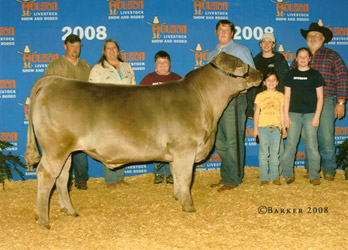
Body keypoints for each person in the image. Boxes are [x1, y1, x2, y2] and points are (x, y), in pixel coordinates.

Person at [292, 23, 348, 181]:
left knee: (327, 137)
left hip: (327, 100)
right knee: (310, 137)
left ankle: (329, 169)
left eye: (316, 36)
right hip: (305, 103)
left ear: (323, 39)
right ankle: (312, 168)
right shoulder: (300, 58)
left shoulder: (332, 55)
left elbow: (342, 78)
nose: (312, 38)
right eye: (310, 36)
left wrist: (341, 102)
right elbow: (291, 80)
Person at [208, 20, 255, 192]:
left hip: (233, 101)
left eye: (226, 30)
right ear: (216, 32)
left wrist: (235, 90)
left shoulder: (240, 50)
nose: (223, 33)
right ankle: (225, 175)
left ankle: (234, 178)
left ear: (232, 34)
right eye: (220, 30)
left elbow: (251, 76)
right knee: (220, 141)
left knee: (233, 141)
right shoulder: (211, 53)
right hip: (215, 102)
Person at [45, 34, 91, 190]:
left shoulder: (85, 66)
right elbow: (47, 88)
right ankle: (63, 182)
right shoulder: (56, 65)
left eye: (78, 47)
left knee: (81, 149)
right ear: (65, 46)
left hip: (82, 114)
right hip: (61, 114)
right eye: (72, 46)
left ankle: (81, 179)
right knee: (61, 150)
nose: (75, 50)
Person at [88, 39, 136, 188]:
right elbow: (91, 92)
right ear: (104, 51)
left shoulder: (127, 66)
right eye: (108, 48)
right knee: (109, 144)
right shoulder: (97, 69)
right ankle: (110, 180)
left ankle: (120, 178)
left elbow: (134, 87)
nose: (111, 51)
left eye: (114, 48)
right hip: (106, 112)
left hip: (126, 110)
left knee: (123, 143)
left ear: (118, 50)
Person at [281, 47, 325, 185]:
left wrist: (317, 116)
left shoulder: (315, 75)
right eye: (300, 56)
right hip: (293, 114)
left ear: (310, 59)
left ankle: (314, 175)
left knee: (312, 145)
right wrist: (286, 116)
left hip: (311, 114)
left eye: (306, 56)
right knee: (291, 145)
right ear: (296, 58)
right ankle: (287, 174)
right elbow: (286, 97)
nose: (303, 59)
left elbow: (320, 97)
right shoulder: (290, 74)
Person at [139, 50, 181, 185]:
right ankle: (157, 172)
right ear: (155, 64)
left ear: (170, 64)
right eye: (159, 63)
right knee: (157, 146)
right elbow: (139, 97)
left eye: (165, 63)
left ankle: (169, 173)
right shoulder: (148, 79)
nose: (162, 65)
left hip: (172, 120)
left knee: (171, 146)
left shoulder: (177, 79)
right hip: (154, 119)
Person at [253, 71, 286, 186]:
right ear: (264, 83)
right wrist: (255, 129)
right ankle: (264, 178)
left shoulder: (281, 96)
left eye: (273, 80)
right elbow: (256, 113)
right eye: (268, 80)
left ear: (277, 82)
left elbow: (282, 113)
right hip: (263, 128)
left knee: (274, 153)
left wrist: (284, 129)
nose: (271, 82)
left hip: (276, 128)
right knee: (263, 154)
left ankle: (275, 176)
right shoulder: (260, 96)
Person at [246, 32, 289, 118]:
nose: (266, 44)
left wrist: (285, 105)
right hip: (260, 101)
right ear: (260, 44)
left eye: (269, 42)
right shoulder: (255, 61)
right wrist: (251, 109)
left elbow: (286, 82)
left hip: (276, 101)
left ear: (273, 45)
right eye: (264, 41)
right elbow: (251, 85)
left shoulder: (280, 60)